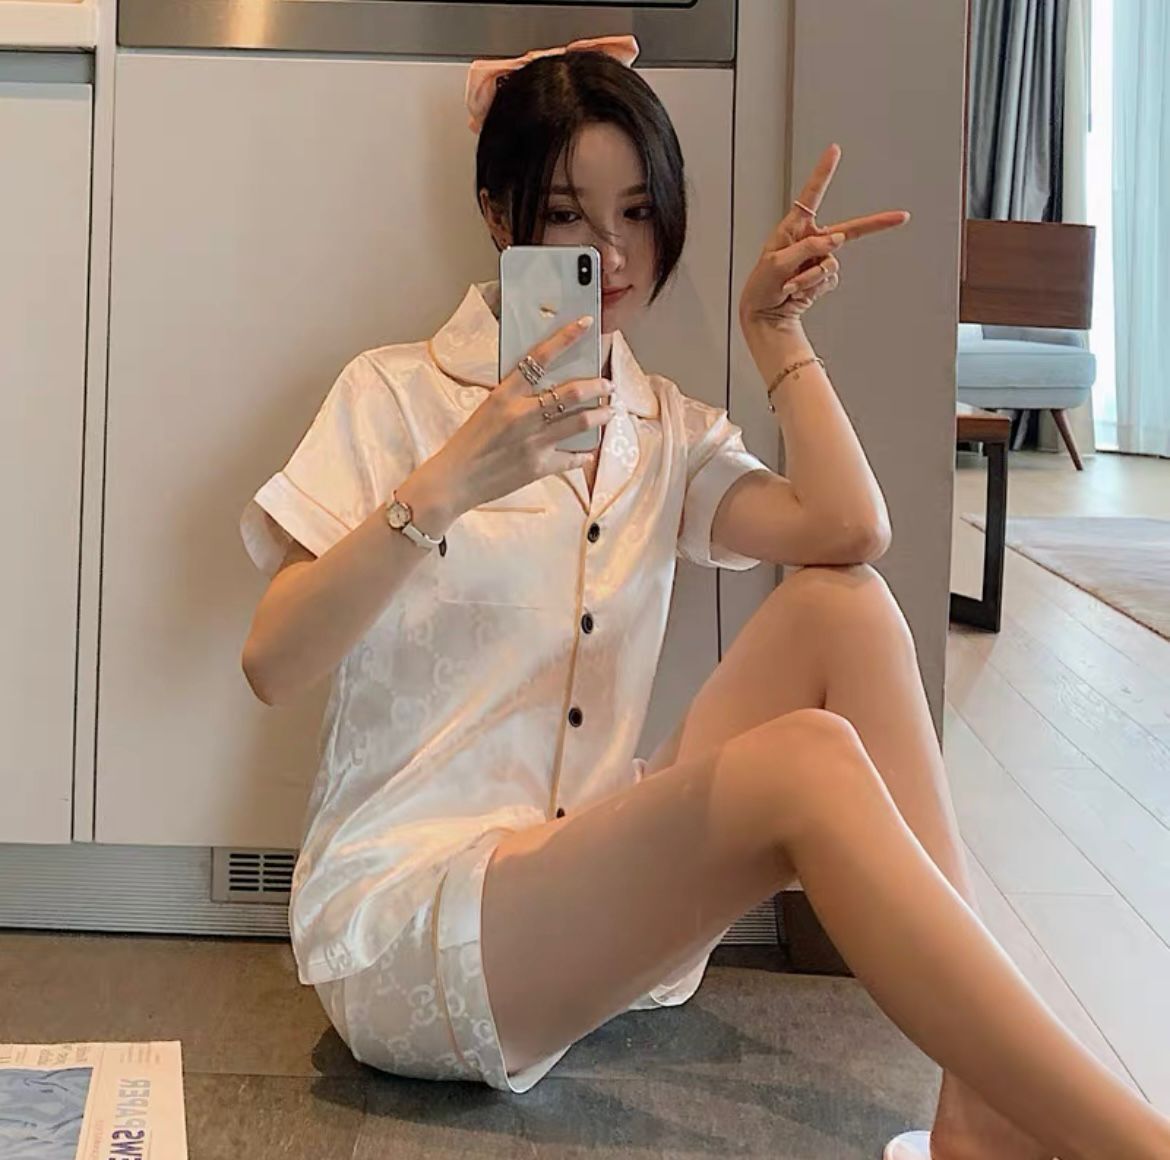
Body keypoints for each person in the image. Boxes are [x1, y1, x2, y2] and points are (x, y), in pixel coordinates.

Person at [238, 36, 1170, 1160]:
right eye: (569, 215)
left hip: (592, 886)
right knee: (807, 760)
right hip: (417, 930)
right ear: (497, 213)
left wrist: (775, 334)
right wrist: (448, 485)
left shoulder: (662, 428)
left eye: (638, 213)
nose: (612, 252)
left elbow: (850, 530)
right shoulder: (395, 394)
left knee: (844, 608)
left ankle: (978, 1104)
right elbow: (273, 661)